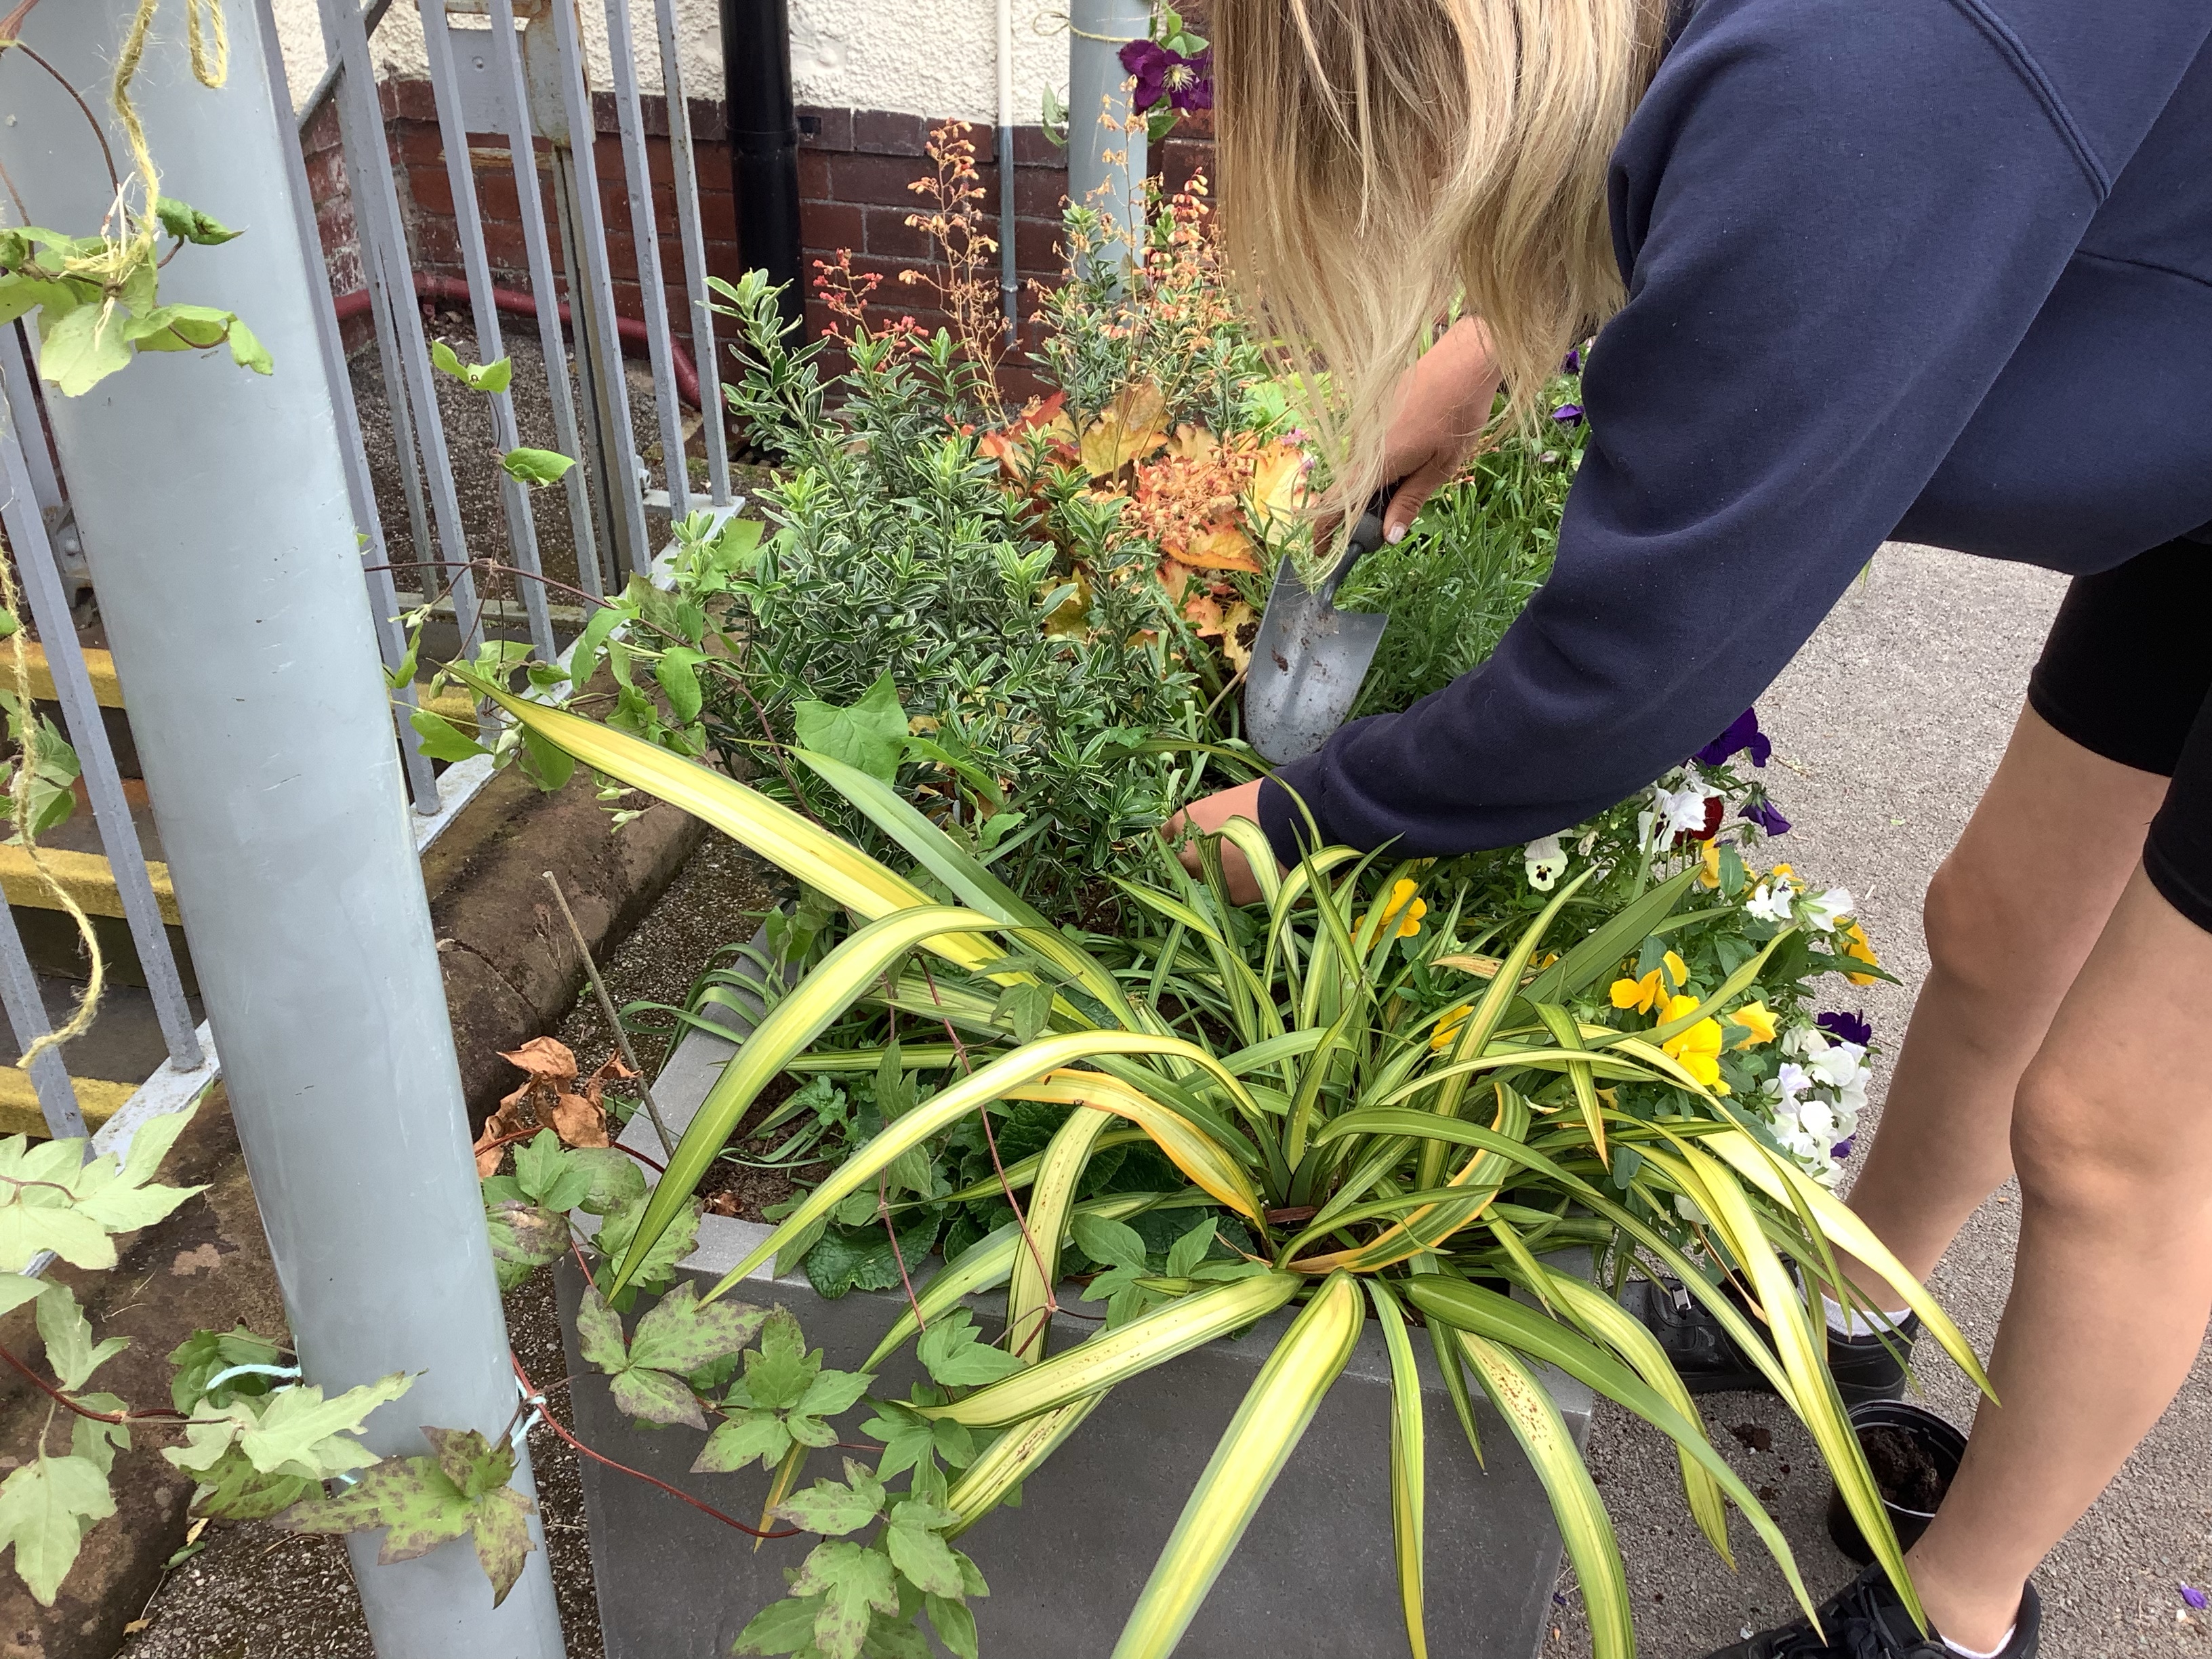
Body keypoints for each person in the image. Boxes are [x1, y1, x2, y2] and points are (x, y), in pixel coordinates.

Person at [1165, 3, 2212, 1656]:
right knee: (2001, 922)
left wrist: (1305, 819)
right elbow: (1800, 219)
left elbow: (1620, 679)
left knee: (2112, 1126)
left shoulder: (1856, 73)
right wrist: (1497, 350)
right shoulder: (1795, 67)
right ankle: (1845, 1310)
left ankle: (1957, 1620)